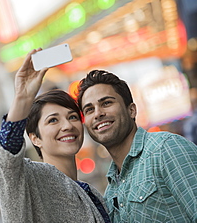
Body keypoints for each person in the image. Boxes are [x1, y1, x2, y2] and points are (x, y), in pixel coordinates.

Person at [0, 49, 110, 223]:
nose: (67, 125)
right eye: (53, 120)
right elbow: (5, 159)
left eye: (72, 117)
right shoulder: (29, 179)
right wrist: (23, 98)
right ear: (34, 138)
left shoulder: (91, 194)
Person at [77, 70, 197, 222]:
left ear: (131, 110)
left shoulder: (165, 149)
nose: (98, 114)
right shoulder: (111, 192)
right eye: (89, 109)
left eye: (106, 103)